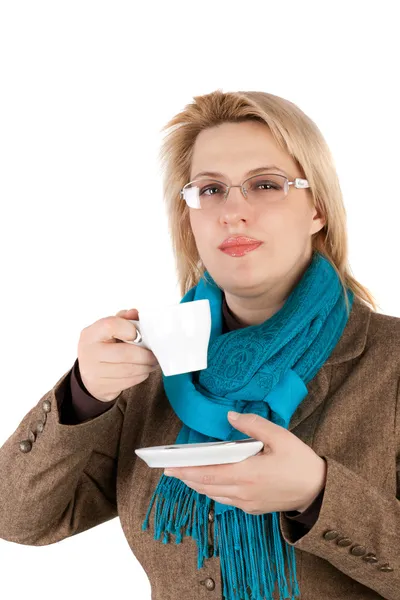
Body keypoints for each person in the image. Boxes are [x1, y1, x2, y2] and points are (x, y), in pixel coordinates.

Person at [0, 89, 399, 600]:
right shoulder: (153, 364)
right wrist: (83, 394)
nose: (233, 211)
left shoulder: (391, 359)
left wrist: (319, 495)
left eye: (264, 184)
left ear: (317, 208)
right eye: (210, 190)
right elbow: (19, 520)